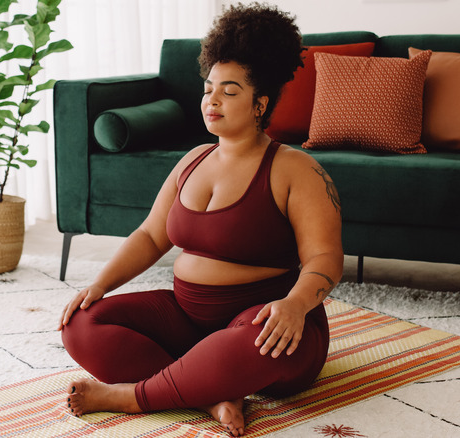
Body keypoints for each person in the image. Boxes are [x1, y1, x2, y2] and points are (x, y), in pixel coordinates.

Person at [57, 3, 343, 436]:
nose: (212, 100)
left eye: (229, 91)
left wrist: (295, 305)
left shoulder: (296, 170)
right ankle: (211, 394)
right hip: (188, 323)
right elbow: (151, 235)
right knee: (81, 324)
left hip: (268, 324)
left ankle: (131, 396)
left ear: (260, 103)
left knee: (243, 348)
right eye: (209, 88)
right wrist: (100, 285)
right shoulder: (192, 161)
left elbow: (325, 258)